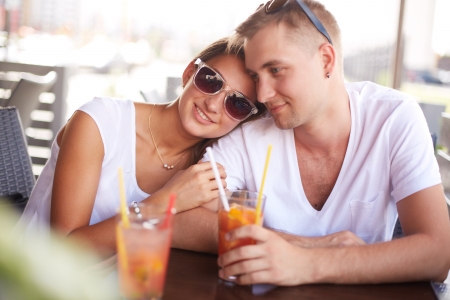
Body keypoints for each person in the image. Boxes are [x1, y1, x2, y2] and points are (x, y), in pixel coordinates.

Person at [194, 0, 450, 285]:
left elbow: (439, 255)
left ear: (326, 60)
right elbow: (183, 217)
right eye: (256, 76)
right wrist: (306, 246)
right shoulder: (250, 135)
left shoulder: (394, 118)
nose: (262, 94)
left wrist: (307, 265)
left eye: (276, 70)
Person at [17, 37, 266, 257]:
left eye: (238, 104)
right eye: (211, 81)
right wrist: (167, 202)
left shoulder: (206, 167)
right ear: (189, 73)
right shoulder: (99, 123)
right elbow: (64, 252)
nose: (213, 105)